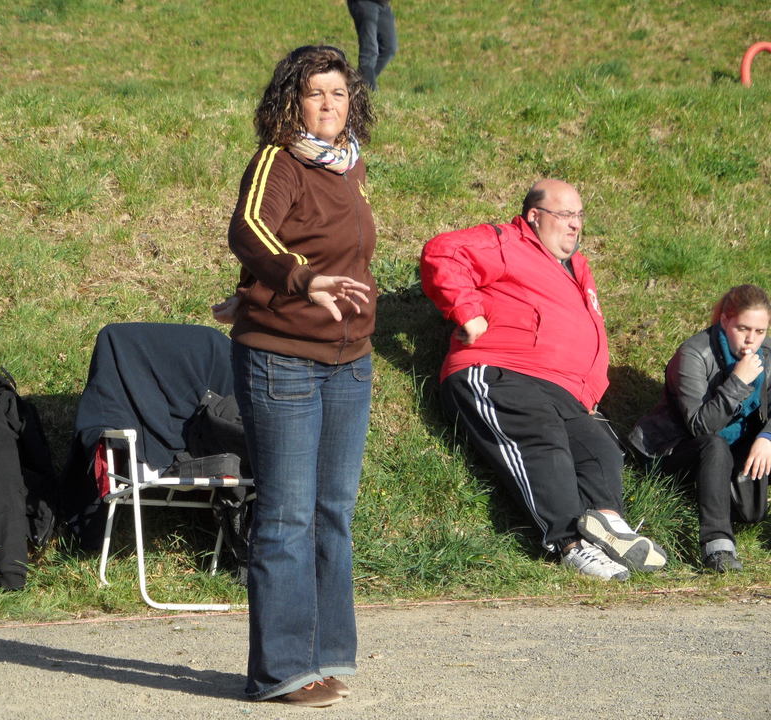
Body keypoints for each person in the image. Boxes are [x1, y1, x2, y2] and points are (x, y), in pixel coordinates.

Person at [224, 45, 376, 708]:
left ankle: (321, 653)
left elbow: (322, 241)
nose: (328, 105)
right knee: (286, 515)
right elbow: (252, 228)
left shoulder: (348, 166)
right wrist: (297, 279)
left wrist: (255, 283)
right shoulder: (276, 161)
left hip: (350, 362)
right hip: (282, 358)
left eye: (338, 94)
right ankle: (280, 669)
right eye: (316, 93)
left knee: (332, 511)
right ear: (293, 100)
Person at [420, 179, 667, 581]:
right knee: (541, 440)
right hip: (501, 370)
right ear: (534, 216)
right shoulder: (507, 243)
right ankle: (570, 543)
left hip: (565, 390)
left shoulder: (578, 269)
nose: (575, 225)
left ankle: (606, 523)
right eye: (565, 215)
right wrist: (466, 311)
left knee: (601, 451)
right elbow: (443, 251)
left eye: (580, 216)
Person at [630, 285, 771, 572]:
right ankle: (717, 546)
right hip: (673, 450)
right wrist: (738, 383)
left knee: (758, 449)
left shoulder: (766, 355)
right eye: (743, 328)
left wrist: (767, 436)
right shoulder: (693, 354)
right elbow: (700, 426)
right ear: (725, 321)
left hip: (734, 447)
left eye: (760, 331)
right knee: (714, 446)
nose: (751, 340)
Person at [346, 0, 397, 91]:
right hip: (364, 3)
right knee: (369, 51)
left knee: (389, 48)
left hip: (383, 4)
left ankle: (357, 83)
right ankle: (368, 91)